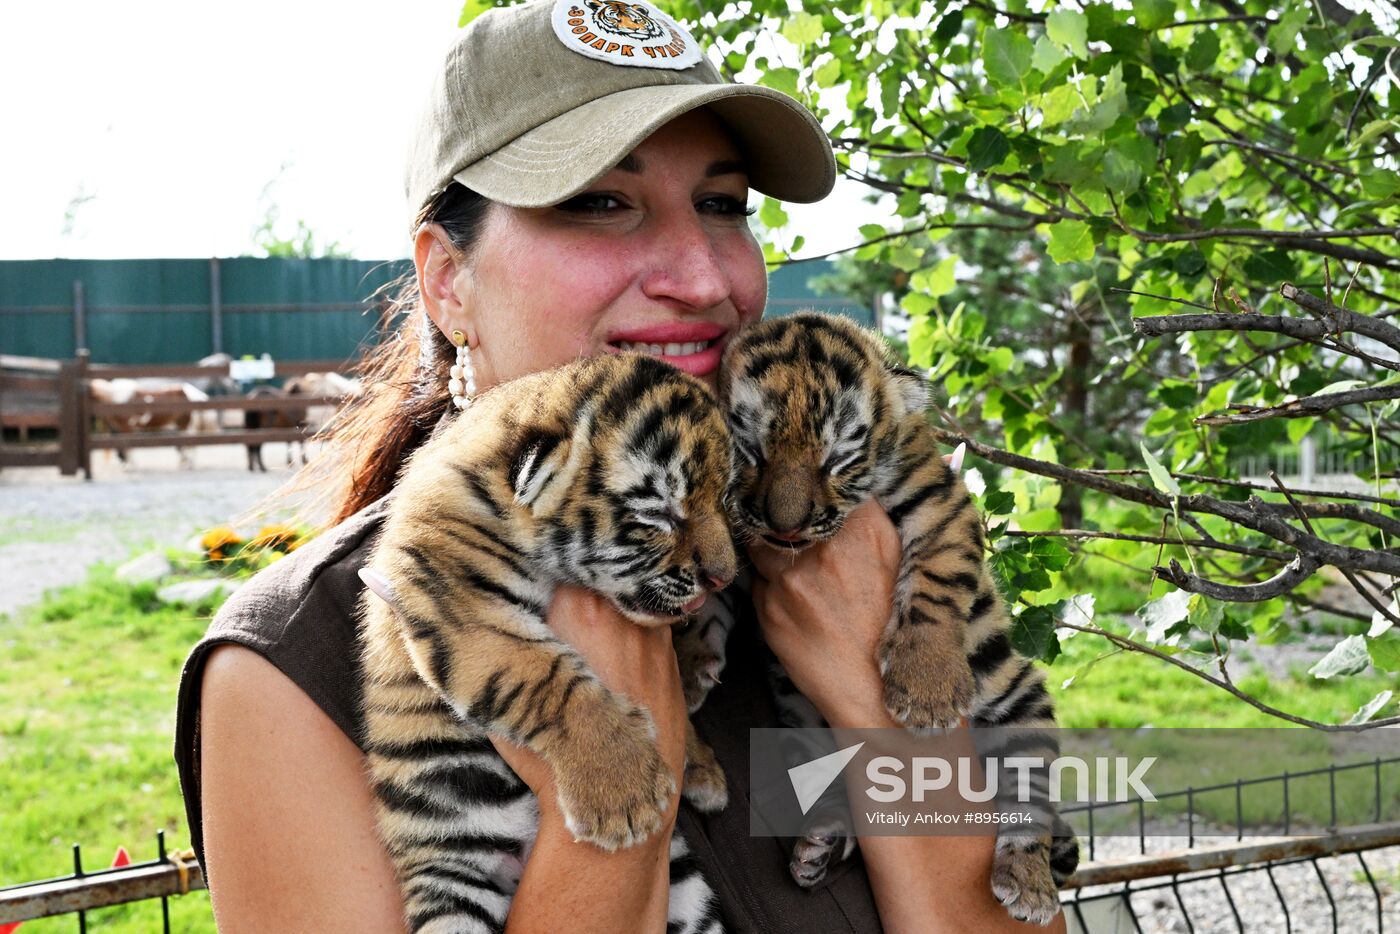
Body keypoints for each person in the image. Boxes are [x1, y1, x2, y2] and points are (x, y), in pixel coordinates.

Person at [173, 1, 1068, 931]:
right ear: (447, 280)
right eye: (600, 202)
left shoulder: (835, 557)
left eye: (723, 206)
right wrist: (610, 781)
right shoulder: (294, 668)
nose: (704, 276)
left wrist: (872, 704)